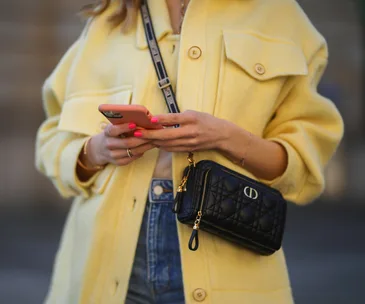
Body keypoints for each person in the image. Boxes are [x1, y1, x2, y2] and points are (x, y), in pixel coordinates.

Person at [35, 0, 344, 303]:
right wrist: (96, 150)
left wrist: (226, 137)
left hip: (228, 251)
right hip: (103, 262)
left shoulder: (279, 14)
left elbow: (304, 160)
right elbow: (52, 139)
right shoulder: (109, 18)